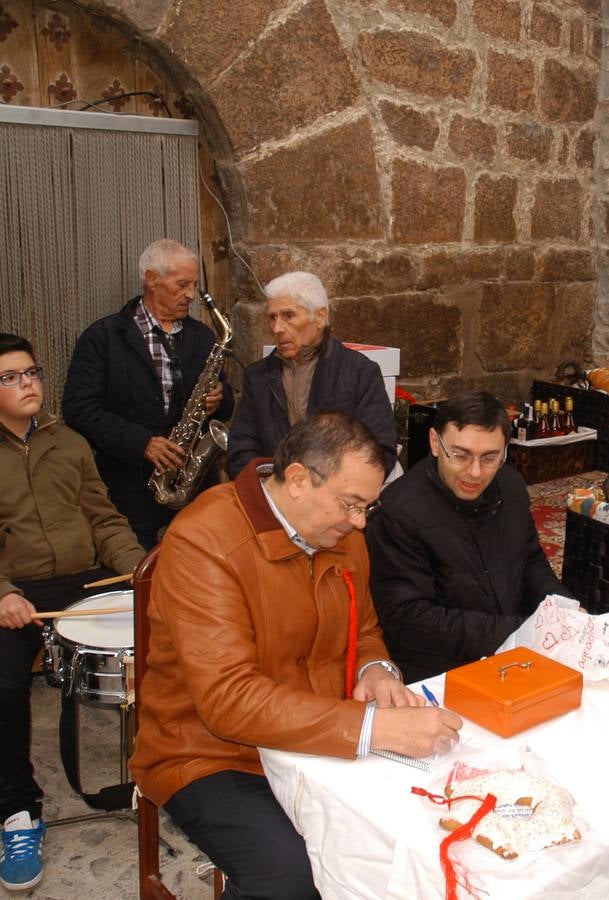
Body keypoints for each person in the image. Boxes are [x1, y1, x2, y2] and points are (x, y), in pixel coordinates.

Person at [130, 411, 461, 899]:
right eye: (351, 504)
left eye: (368, 505)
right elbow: (228, 700)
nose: (360, 521)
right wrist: (376, 728)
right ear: (300, 480)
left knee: (414, 834)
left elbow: (364, 628)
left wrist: (377, 670)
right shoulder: (203, 540)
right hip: (210, 751)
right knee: (289, 876)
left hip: (316, 740)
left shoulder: (343, 533)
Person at [0, 333, 146, 892]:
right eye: (10, 378)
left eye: (32, 372)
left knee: (168, 638)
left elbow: (104, 520)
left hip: (81, 577)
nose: (28, 384)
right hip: (4, 588)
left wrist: (143, 571)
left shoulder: (68, 442)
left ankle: (163, 776)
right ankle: (19, 811)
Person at [366, 391, 569, 682]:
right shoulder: (399, 511)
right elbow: (409, 620)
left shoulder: (510, 485)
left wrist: (561, 606)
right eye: (460, 456)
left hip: (512, 654)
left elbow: (530, 561)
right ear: (436, 444)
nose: (475, 472)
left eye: (490, 458)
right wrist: (517, 631)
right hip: (440, 672)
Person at [62, 238, 235, 548]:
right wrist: (141, 443)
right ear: (152, 279)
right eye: (182, 285)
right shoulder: (102, 338)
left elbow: (224, 406)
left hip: (194, 496)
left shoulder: (203, 335)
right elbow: (78, 409)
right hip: (130, 493)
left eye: (194, 285)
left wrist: (220, 399)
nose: (191, 295)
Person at [225, 270, 396, 479]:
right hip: (275, 501)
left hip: (338, 501)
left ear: (320, 317)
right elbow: (240, 451)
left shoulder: (359, 372)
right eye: (272, 317)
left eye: (288, 316)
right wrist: (274, 492)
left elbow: (379, 452)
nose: (277, 328)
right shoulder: (257, 377)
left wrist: (330, 493)